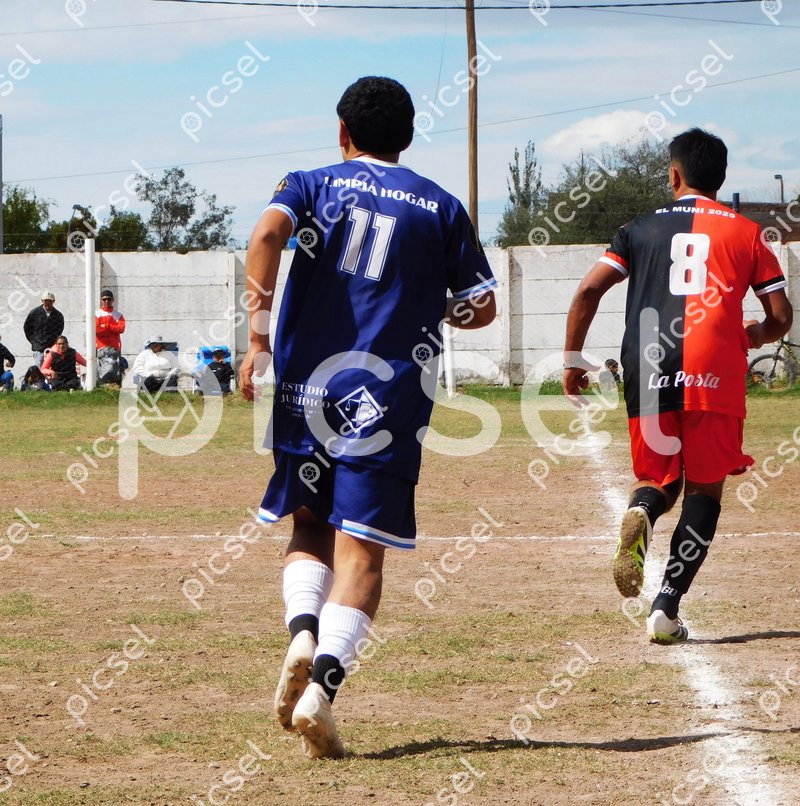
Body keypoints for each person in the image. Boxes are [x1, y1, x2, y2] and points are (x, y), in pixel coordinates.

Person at [238, 76, 497, 759]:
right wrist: (432, 303)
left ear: (342, 131)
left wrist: (258, 340)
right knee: (363, 554)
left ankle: (302, 631)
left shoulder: (309, 184)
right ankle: (321, 689)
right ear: (408, 137)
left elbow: (266, 234)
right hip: (388, 401)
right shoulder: (440, 206)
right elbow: (482, 307)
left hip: (307, 391)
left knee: (309, 525)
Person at [563, 128, 792, 644]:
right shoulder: (748, 233)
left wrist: (573, 360)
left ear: (674, 174)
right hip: (714, 366)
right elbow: (780, 316)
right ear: (721, 178)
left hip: (648, 362)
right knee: (705, 488)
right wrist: (753, 335)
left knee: (659, 479)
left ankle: (642, 511)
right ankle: (666, 609)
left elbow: (588, 291)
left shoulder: (638, 228)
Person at [23, 291, 65, 367]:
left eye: (50, 301)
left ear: (53, 301)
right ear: (42, 301)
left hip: (52, 346)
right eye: (46, 301)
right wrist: (34, 341)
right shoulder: (35, 313)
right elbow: (27, 327)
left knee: (52, 367)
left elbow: (59, 330)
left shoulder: (58, 315)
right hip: (38, 347)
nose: (48, 303)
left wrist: (54, 341)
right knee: (39, 366)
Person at [96, 289, 127, 385]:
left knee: (115, 369)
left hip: (115, 347)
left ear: (113, 300)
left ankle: (116, 386)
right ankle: (102, 387)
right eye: (104, 299)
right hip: (101, 347)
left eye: (109, 299)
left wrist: (107, 326)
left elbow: (121, 329)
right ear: (101, 300)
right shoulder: (96, 314)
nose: (106, 301)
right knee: (103, 370)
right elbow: (97, 331)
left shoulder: (118, 315)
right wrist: (113, 329)